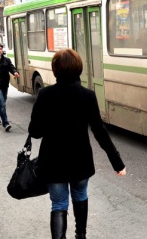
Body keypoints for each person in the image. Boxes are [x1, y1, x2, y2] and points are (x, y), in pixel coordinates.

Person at [28, 48, 126, 239]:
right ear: (79, 69)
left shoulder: (46, 95)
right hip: (80, 160)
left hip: (53, 161)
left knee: (58, 204)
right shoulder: (87, 95)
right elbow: (99, 132)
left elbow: (35, 132)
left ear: (55, 69)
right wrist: (117, 162)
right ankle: (80, 235)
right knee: (80, 195)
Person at [0, 42, 19, 131]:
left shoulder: (6, 60)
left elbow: (11, 67)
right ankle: (5, 123)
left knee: (3, 101)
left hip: (4, 85)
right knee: (2, 103)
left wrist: (15, 72)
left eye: (0, 49)